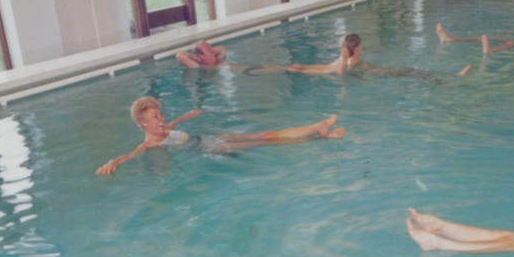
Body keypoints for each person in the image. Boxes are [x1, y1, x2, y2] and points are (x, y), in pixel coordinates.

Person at [96, 97, 344, 175]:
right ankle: (321, 137)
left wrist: (189, 115)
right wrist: (113, 163)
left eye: (159, 114)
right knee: (263, 142)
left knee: (265, 134)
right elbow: (130, 155)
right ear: (142, 124)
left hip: (210, 136)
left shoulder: (164, 128)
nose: (160, 119)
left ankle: (318, 127)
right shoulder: (149, 143)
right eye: (154, 118)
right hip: (209, 149)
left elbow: (174, 123)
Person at [296, 34, 472, 82]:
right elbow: (353, 73)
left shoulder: (346, 59)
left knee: (416, 72)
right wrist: (364, 79)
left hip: (380, 73)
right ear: (356, 49)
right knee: (417, 72)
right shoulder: (352, 63)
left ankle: (452, 77)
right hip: (383, 73)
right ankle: (453, 77)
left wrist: (304, 67)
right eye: (362, 47)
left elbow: (329, 66)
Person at [436, 6, 514, 54]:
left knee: (510, 43)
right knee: (487, 38)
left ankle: (490, 50)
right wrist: (503, 33)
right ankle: (450, 39)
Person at [176, 40, 295, 75]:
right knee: (289, 69)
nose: (212, 51)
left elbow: (221, 48)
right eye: (208, 49)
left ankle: (310, 69)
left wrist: (209, 53)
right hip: (246, 72)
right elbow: (180, 55)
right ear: (199, 56)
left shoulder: (217, 60)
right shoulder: (199, 66)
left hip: (249, 68)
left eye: (211, 47)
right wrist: (196, 58)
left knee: (291, 68)